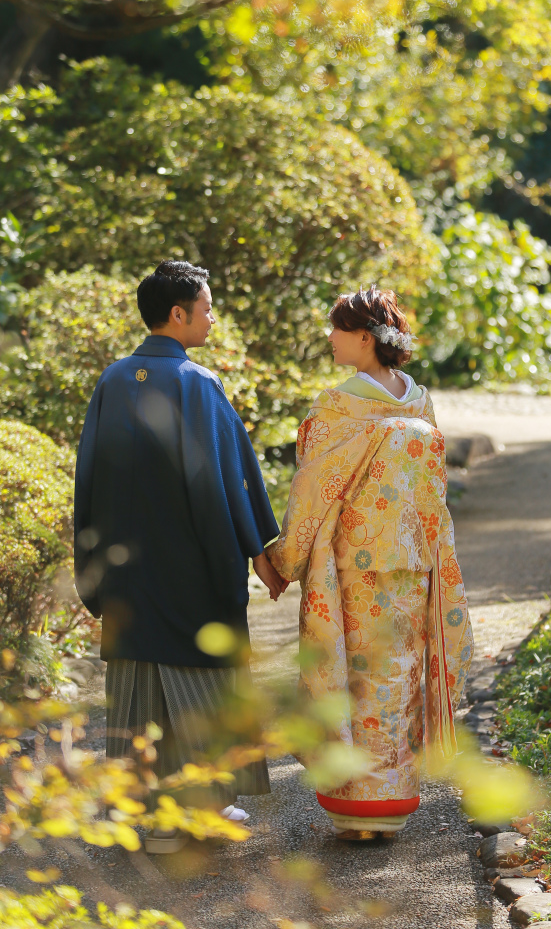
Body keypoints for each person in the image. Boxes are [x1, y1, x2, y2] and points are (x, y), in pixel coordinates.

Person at [74, 260, 286, 853]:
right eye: (208, 307)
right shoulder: (199, 384)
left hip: (125, 569)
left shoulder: (113, 381)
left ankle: (158, 814)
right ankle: (199, 809)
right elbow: (231, 481)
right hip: (189, 567)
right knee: (200, 679)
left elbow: (87, 475)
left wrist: (89, 565)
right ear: (179, 314)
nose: (213, 318)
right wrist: (259, 550)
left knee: (141, 684)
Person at [267, 285, 473, 840]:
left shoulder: (338, 407)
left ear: (363, 337)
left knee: (356, 681)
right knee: (397, 680)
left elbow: (312, 494)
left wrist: (281, 561)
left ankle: (360, 805)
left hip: (354, 571)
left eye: (336, 329)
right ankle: (393, 800)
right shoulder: (420, 402)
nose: (329, 339)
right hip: (414, 567)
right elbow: (435, 493)